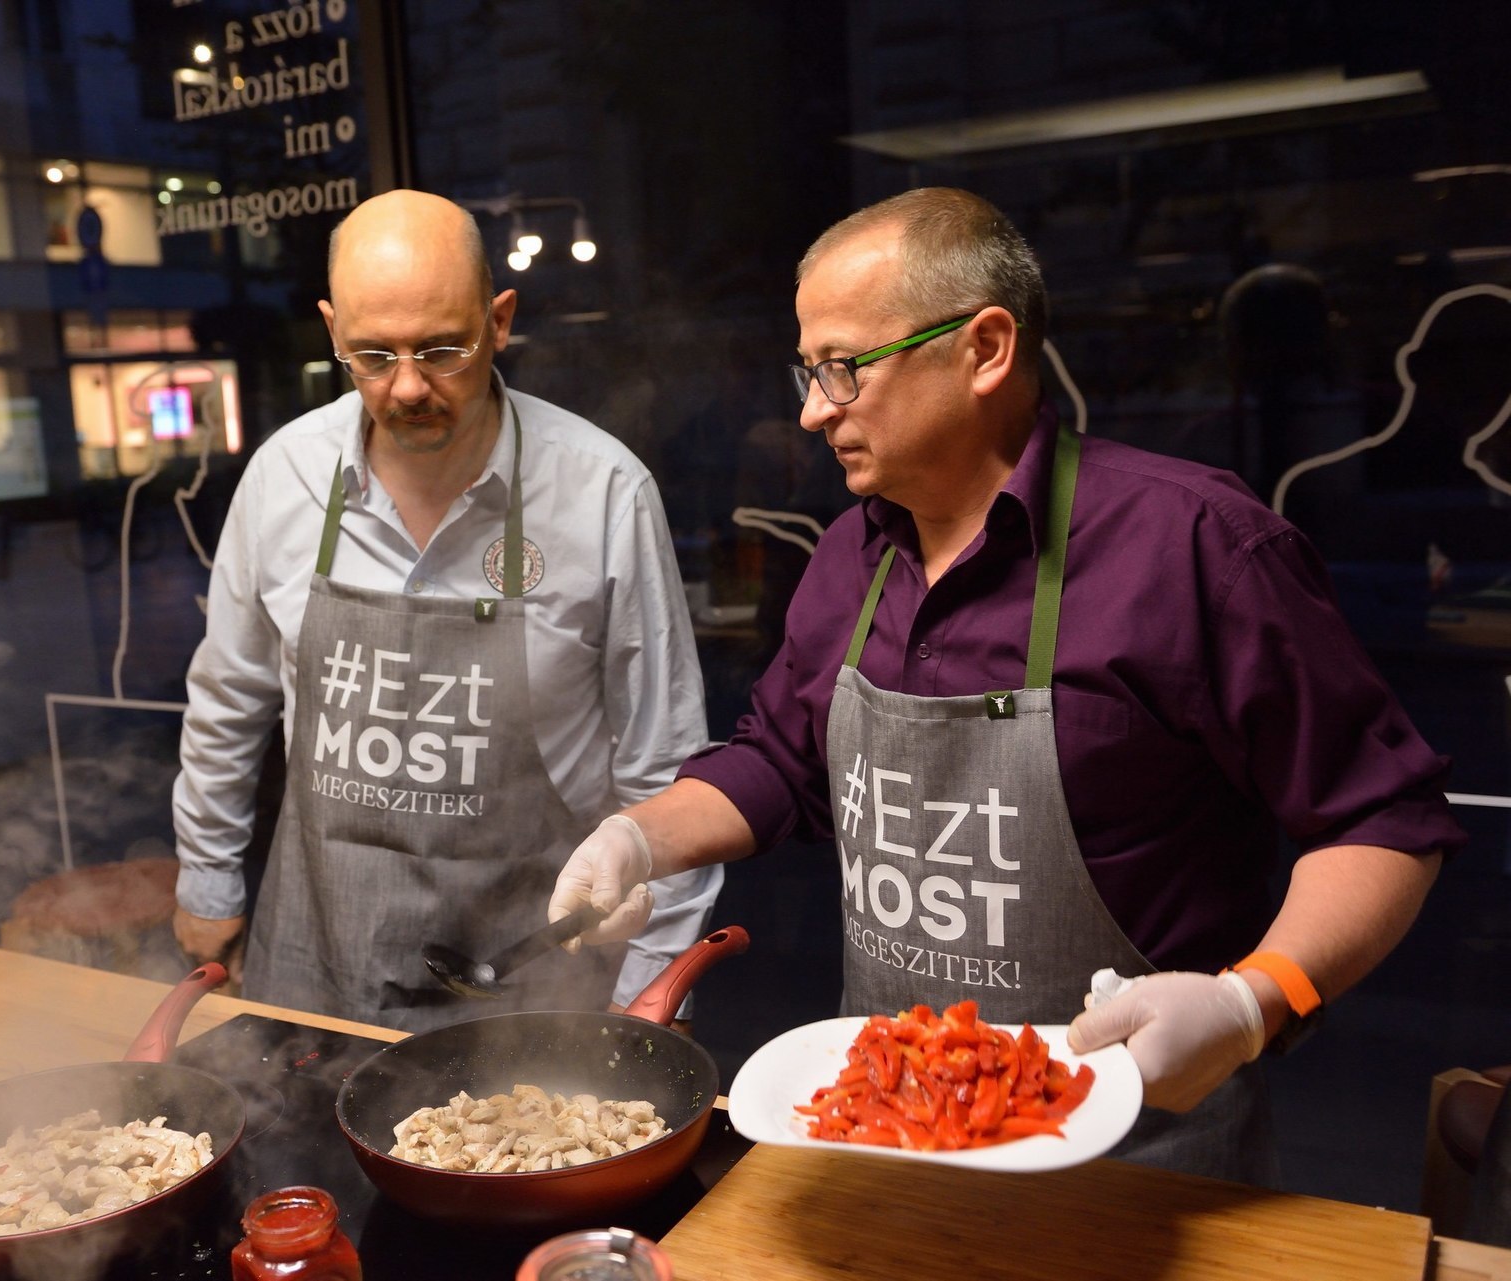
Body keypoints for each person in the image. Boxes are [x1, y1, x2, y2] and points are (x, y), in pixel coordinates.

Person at [546, 187, 1463, 1182]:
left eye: (844, 368)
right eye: (807, 372)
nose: (812, 410)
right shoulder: (850, 558)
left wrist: (1254, 1001)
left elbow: (1384, 821)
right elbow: (778, 762)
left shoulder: (1195, 546)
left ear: (983, 349)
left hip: (1141, 1173)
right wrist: (635, 839)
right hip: (885, 1143)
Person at [171, 189, 720, 1033]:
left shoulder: (602, 493)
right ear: (332, 333)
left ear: (499, 322)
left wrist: (656, 981)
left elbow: (665, 764)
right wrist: (209, 881)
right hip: (319, 964)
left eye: (441, 349)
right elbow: (228, 699)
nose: (407, 386)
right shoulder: (285, 478)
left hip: (533, 978)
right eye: (372, 355)